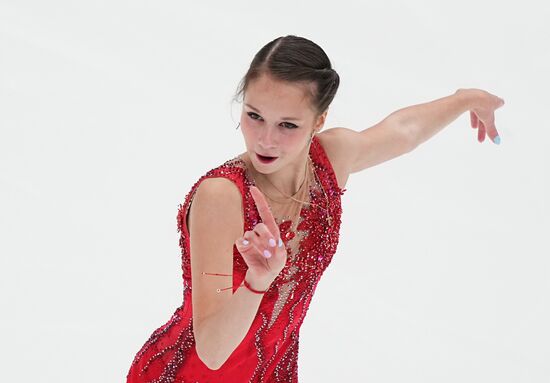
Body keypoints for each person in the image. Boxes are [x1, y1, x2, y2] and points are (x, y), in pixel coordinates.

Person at [126, 35, 504, 382]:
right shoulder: (222, 196)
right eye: (254, 115)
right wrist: (257, 282)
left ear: (318, 121)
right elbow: (211, 350)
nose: (265, 138)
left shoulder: (329, 160)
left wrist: (464, 99)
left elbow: (401, 132)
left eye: (287, 124)